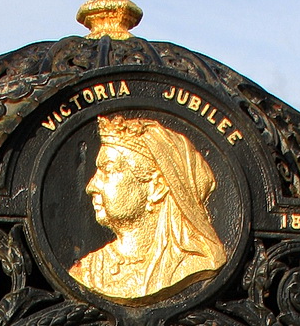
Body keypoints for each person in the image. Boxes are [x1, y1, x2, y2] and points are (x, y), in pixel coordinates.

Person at [70, 114, 226, 302]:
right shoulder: (90, 270)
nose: (91, 186)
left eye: (108, 170)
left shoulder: (194, 264)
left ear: (157, 187)